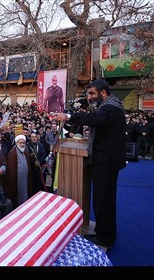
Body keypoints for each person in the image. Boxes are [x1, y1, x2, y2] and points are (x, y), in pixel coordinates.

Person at [54, 79, 126, 248]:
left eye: (92, 93)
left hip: (106, 162)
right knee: (102, 200)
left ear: (103, 92)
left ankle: (105, 237)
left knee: (104, 201)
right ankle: (104, 231)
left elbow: (95, 118)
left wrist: (69, 116)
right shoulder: (108, 106)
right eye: (87, 94)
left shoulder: (111, 108)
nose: (89, 97)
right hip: (104, 160)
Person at [5, 134, 33, 208]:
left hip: (25, 178)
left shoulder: (25, 151)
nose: (22, 144)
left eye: (23, 143)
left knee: (26, 193)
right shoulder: (12, 152)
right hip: (17, 179)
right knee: (18, 195)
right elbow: (11, 168)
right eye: (20, 143)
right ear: (17, 143)